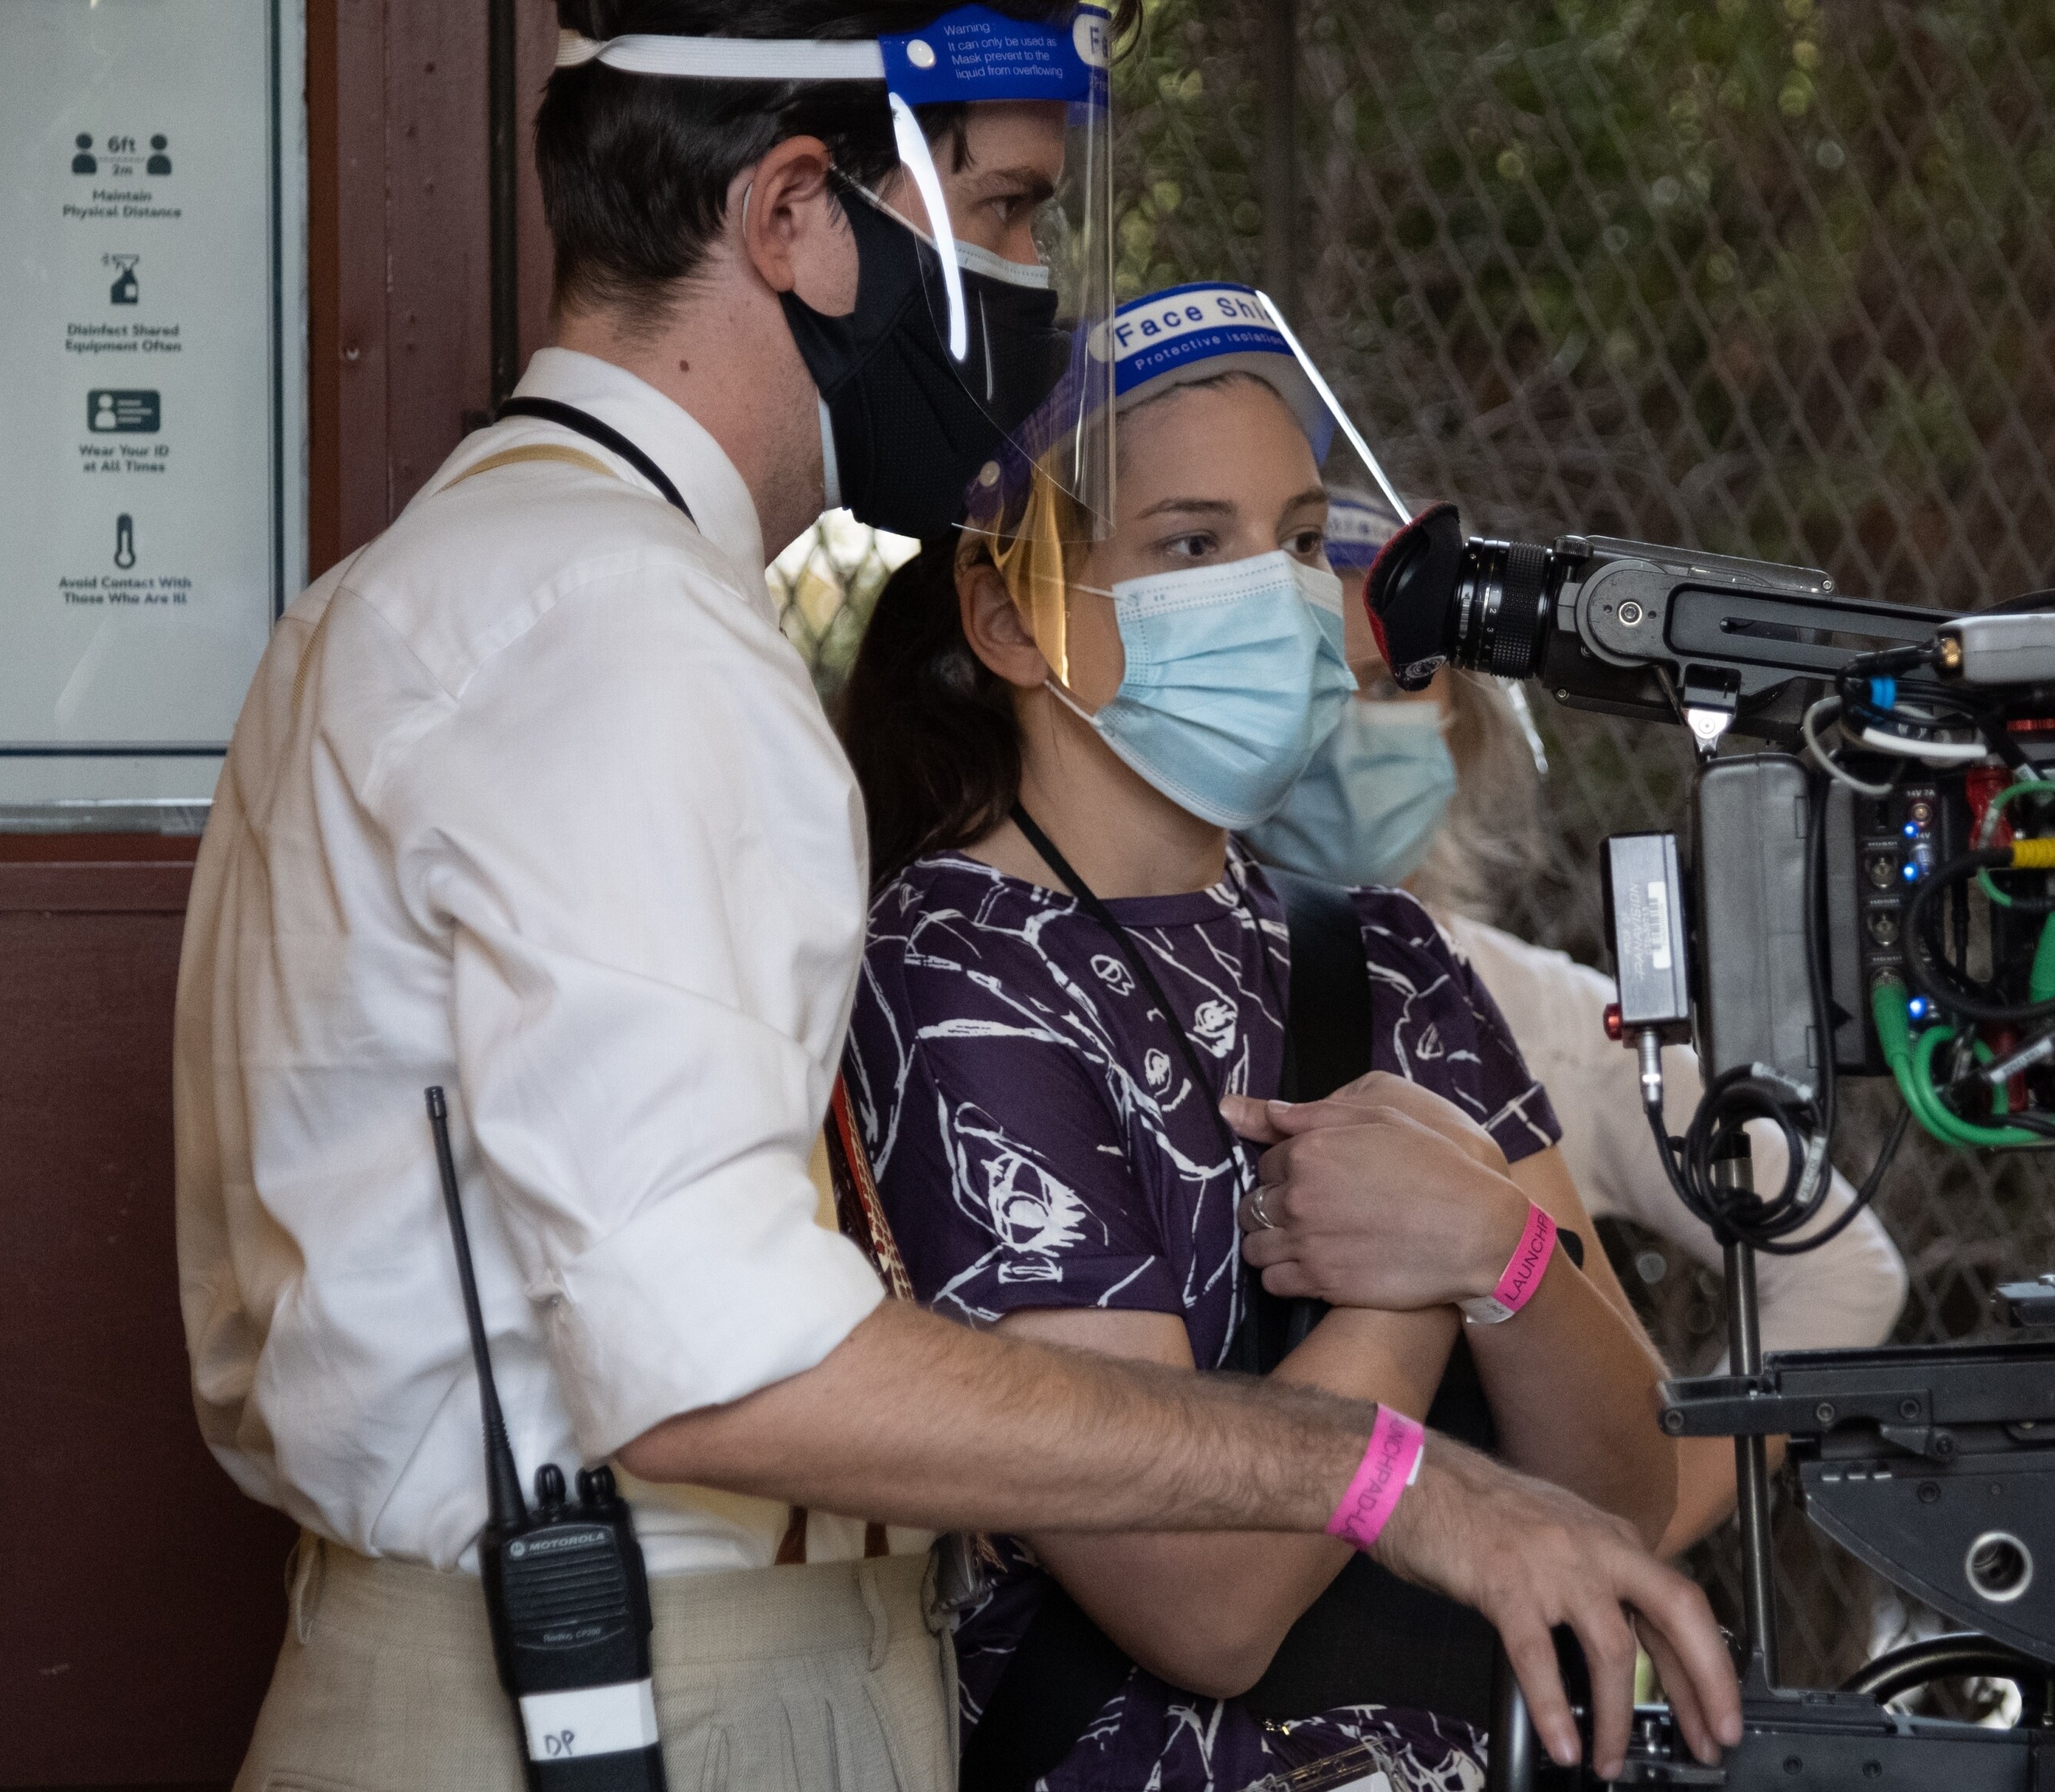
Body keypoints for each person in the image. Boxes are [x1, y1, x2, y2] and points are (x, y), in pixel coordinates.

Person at [173, 8, 1738, 1788]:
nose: (1014, 295)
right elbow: (716, 1361)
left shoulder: (424, 589)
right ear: (790, 220)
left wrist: (1484, 1271)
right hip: (631, 1687)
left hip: (502, 1651)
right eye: (996, 214)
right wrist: (1384, 1469)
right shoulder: (630, 637)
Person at [835, 282, 1678, 1792]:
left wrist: (1494, 1242)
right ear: (1006, 617)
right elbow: (1200, 1602)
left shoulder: (1384, 954)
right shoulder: (950, 971)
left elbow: (1621, 1489)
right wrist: (1424, 1284)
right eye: (1185, 546)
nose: (1274, 596)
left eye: (1294, 542)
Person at [1249, 488, 1911, 1557]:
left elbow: (1842, 1270)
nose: (1343, 718)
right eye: (1312, 678)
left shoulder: (1546, 1014)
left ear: (1453, 722)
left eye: (1386, 681)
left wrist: (1645, 1516)